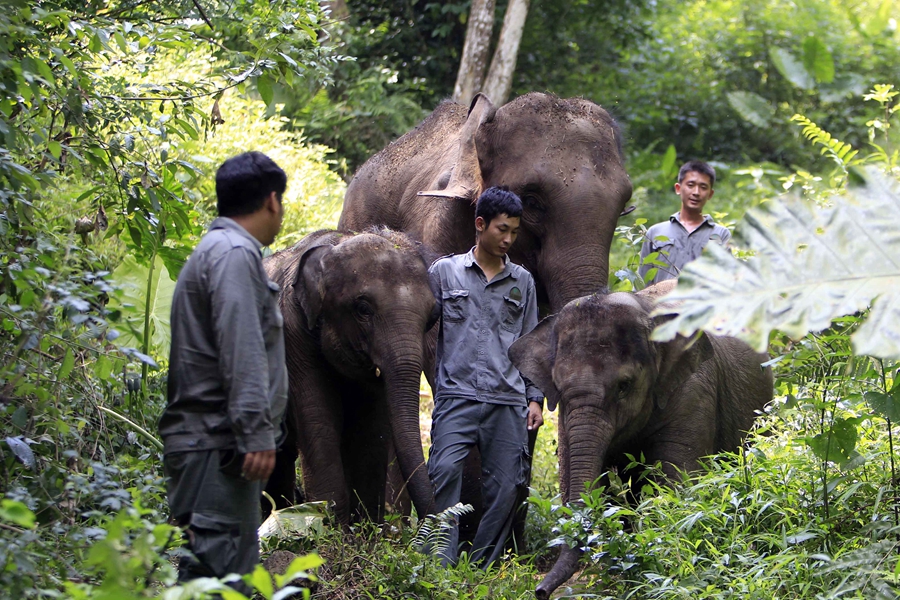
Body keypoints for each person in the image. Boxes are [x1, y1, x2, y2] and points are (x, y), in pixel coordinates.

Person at [158, 151, 289, 586]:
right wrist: (256, 432)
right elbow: (242, 345)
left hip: (214, 444)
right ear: (272, 200)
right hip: (217, 445)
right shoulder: (234, 254)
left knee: (220, 574)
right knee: (216, 579)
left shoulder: (219, 250)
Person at [427, 186, 544, 568]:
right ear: (480, 225)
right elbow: (423, 330)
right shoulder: (444, 273)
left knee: (508, 487)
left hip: (507, 399)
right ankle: (438, 566)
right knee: (443, 473)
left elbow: (530, 342)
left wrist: (535, 398)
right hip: (456, 395)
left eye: (514, 231)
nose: (509, 239)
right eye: (501, 230)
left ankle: (482, 567)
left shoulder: (522, 282)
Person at [639, 160, 731, 285]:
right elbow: (642, 286)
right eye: (690, 185)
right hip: (660, 304)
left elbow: (727, 283)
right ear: (678, 188)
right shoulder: (655, 232)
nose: (696, 192)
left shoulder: (721, 234)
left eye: (703, 187)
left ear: (710, 194)